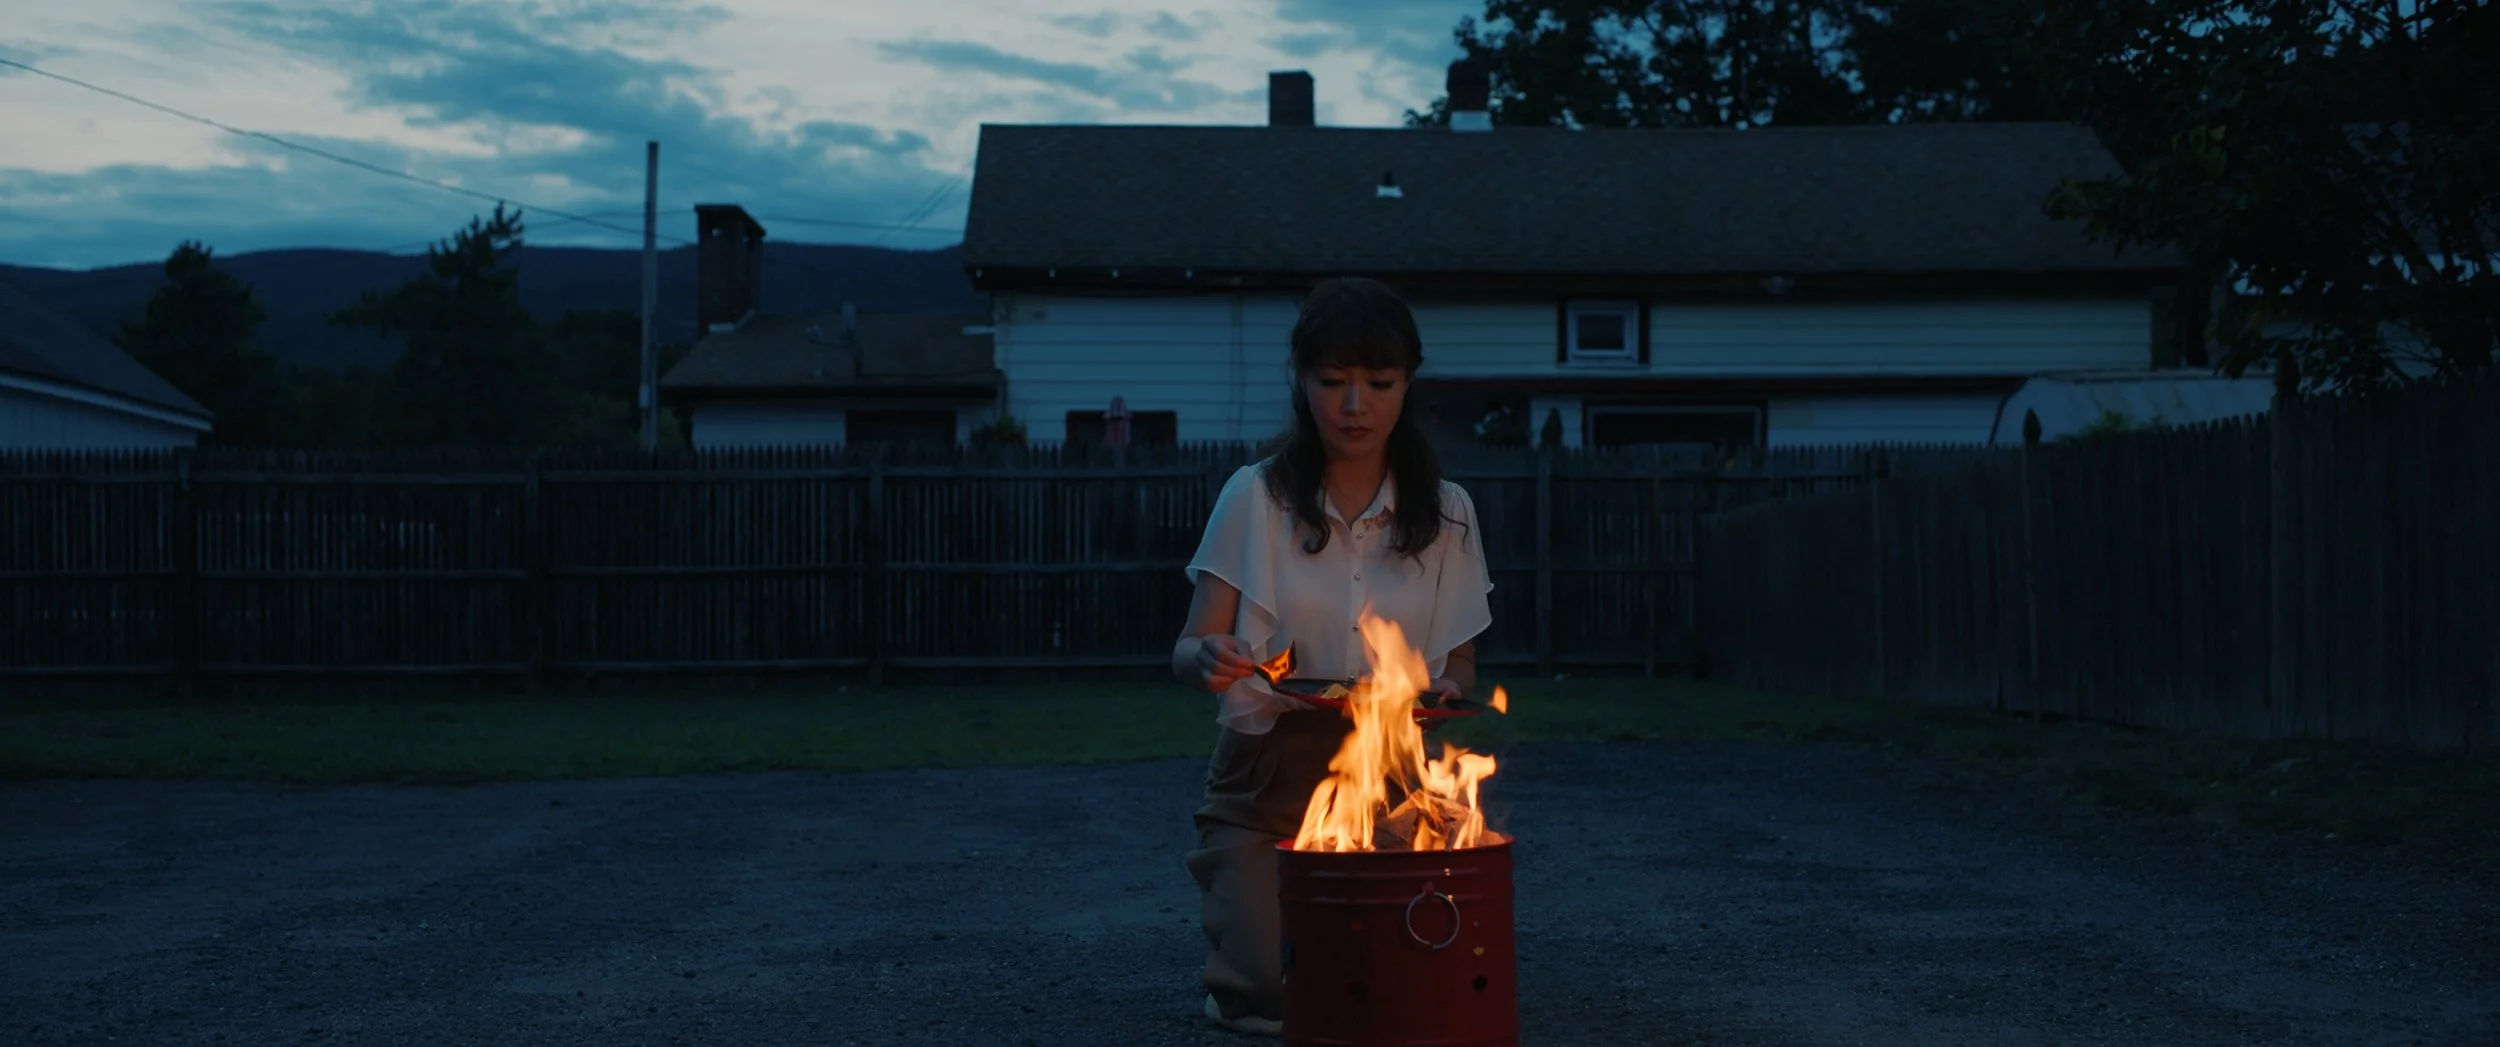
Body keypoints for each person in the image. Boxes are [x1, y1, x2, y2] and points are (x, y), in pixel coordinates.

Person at [1171, 276, 1495, 1036]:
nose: (1355, 405)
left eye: (1378, 382)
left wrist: (1444, 687)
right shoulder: (1254, 497)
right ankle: (1242, 966)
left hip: (1388, 777)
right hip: (1265, 776)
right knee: (1274, 994)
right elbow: (1188, 649)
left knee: (1391, 988)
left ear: (1408, 384)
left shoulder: (1448, 514)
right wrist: (1209, 655)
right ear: (1302, 381)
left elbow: (1463, 668)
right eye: (1333, 382)